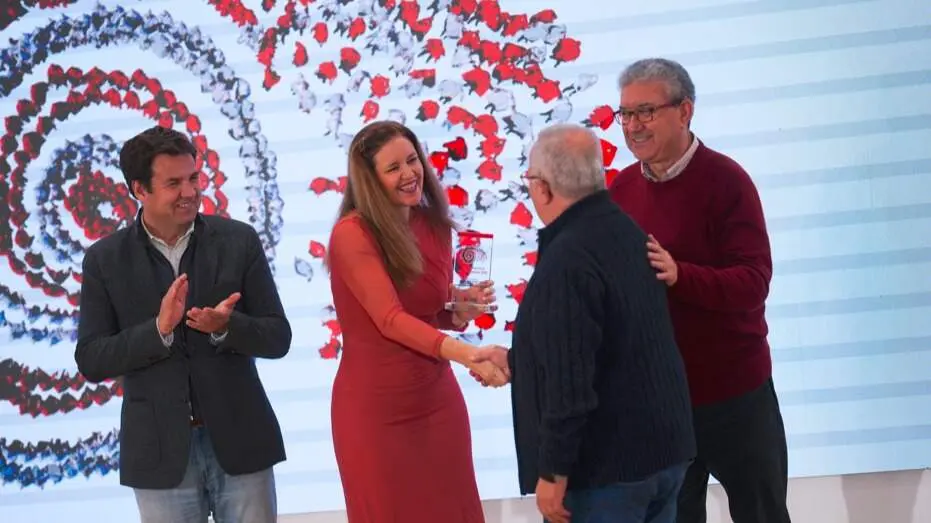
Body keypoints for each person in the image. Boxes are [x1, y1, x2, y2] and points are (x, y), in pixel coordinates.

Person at [473, 124, 696, 523]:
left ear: (541, 187)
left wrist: (553, 472)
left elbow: (570, 381)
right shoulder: (626, 230)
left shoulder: (568, 258)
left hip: (607, 470)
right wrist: (519, 361)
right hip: (662, 454)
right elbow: (611, 343)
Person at [74, 125, 292, 523]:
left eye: (193, 178)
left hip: (241, 440)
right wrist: (158, 330)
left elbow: (278, 337)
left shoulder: (238, 241)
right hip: (159, 453)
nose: (190, 191)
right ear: (139, 190)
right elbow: (91, 358)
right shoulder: (105, 260)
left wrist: (226, 327)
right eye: (174, 183)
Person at [607, 57, 792, 523]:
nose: (632, 126)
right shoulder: (620, 190)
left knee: (762, 513)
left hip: (736, 394)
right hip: (663, 401)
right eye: (625, 114)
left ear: (685, 111)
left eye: (645, 112)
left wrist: (680, 275)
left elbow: (753, 282)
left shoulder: (727, 181)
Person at [324, 120, 506, 523]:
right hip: (374, 412)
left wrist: (458, 311)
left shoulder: (434, 226)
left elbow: (427, 310)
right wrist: (469, 353)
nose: (409, 174)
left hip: (436, 403)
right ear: (369, 180)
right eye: (393, 168)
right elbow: (389, 319)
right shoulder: (351, 235)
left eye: (412, 160)